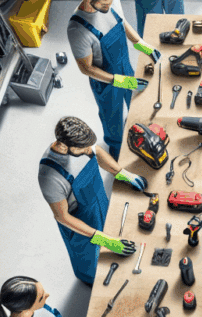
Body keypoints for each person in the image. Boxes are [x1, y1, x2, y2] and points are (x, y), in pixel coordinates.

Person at [39, 117, 142, 285]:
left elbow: (98, 152)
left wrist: (122, 173)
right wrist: (103, 240)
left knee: (113, 231)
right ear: (66, 146)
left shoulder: (77, 143)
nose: (89, 150)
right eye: (84, 148)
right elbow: (62, 217)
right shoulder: (50, 176)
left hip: (99, 200)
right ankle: (91, 281)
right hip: (79, 220)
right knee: (89, 260)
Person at [68, 0, 156, 160]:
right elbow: (86, 68)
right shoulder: (77, 29)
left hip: (125, 65)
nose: (109, 6)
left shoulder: (111, 1)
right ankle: (117, 150)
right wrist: (118, 81)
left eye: (110, 1)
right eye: (103, 4)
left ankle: (138, 134)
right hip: (106, 80)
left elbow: (122, 22)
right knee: (113, 119)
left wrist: (140, 43)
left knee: (135, 103)